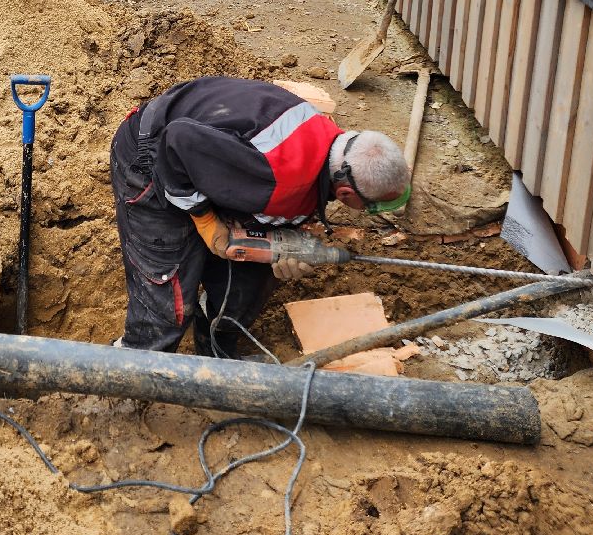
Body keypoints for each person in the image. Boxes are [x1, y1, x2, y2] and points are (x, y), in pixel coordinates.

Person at [110, 76, 410, 357]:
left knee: (248, 282)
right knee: (168, 296)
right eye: (371, 206)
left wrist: (282, 243)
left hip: (209, 157)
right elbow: (178, 140)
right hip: (152, 155)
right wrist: (204, 219)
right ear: (345, 193)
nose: (370, 212)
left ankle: (215, 346)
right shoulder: (281, 176)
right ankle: (129, 369)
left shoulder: (329, 143)